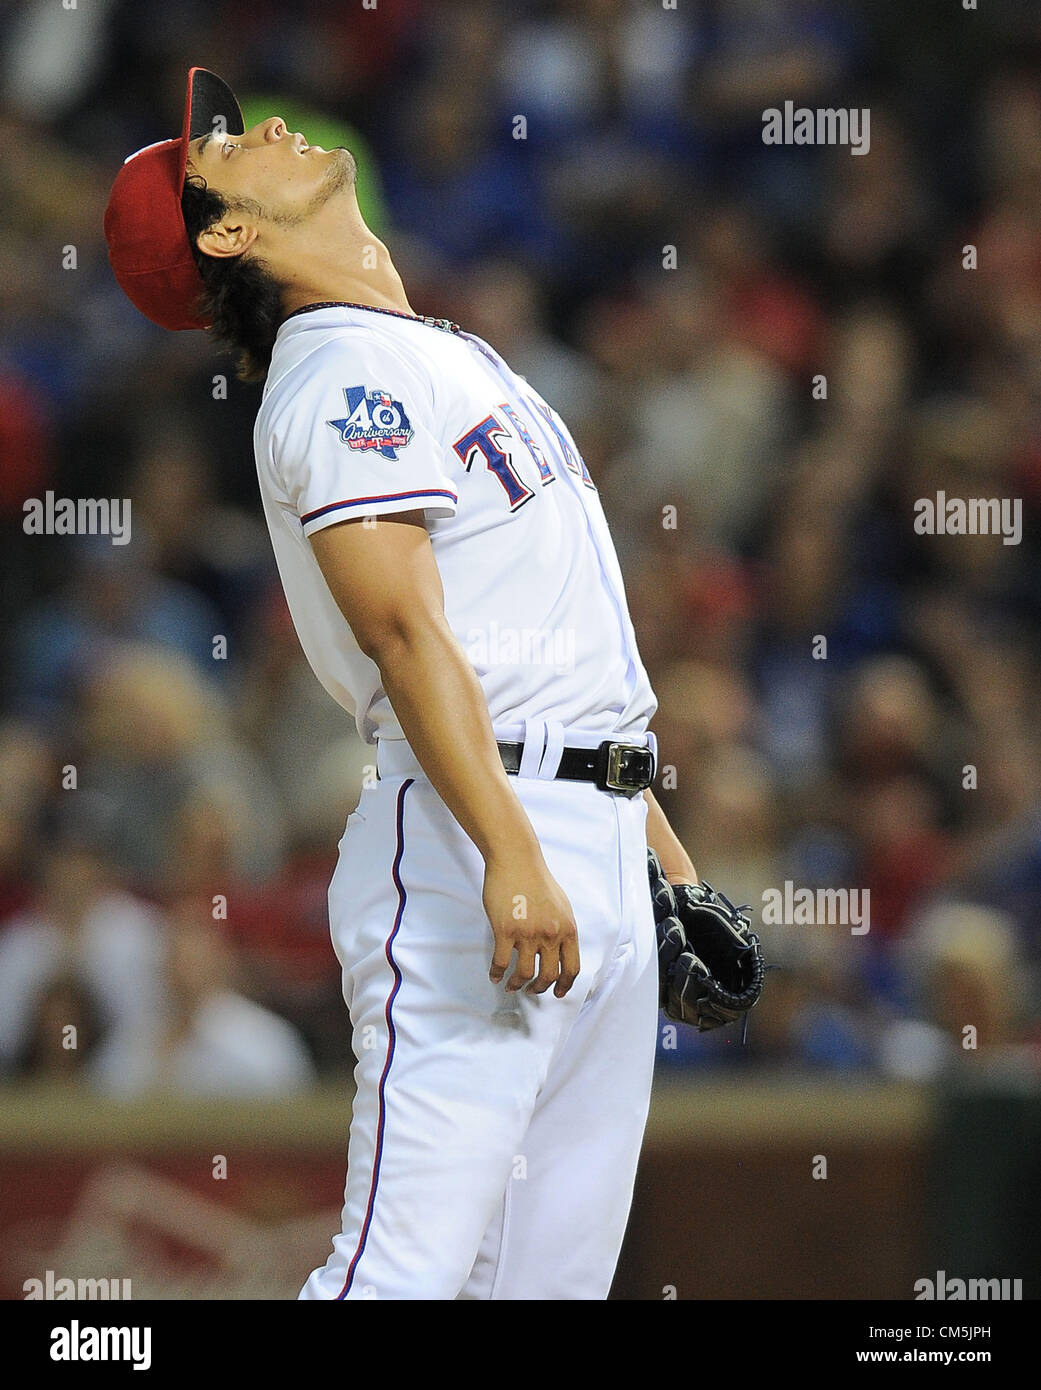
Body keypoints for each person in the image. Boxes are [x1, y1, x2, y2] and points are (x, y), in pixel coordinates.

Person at [104, 67, 700, 1301]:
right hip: (471, 842)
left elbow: (541, 649)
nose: (262, 126)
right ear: (228, 232)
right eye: (222, 151)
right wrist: (509, 847)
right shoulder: (335, 378)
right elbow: (404, 634)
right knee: (397, 1279)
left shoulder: (413, 348)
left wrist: (661, 860)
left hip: (565, 823)